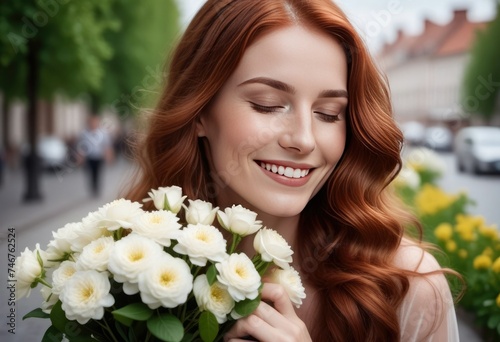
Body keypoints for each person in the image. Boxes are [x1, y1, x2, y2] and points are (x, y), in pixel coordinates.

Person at [126, 0, 462, 340]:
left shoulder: (407, 287)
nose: (304, 139)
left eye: (329, 113)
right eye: (267, 105)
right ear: (199, 112)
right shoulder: (122, 261)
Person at [77, 115, 114, 197]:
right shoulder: (84, 134)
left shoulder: (103, 134)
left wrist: (109, 157)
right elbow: (81, 146)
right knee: (90, 173)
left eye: (95, 122)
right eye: (91, 122)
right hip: (89, 157)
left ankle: (97, 188)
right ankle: (92, 188)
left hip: (99, 157)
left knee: (98, 173)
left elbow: (107, 146)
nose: (93, 124)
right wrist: (80, 157)